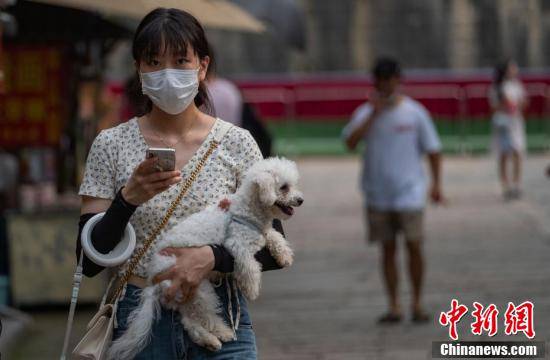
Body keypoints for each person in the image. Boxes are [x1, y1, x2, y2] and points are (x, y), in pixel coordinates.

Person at [76, 8, 285, 359]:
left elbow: (273, 246)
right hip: (140, 318)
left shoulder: (236, 143)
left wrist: (211, 257)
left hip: (222, 317)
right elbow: (88, 260)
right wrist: (127, 200)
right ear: (138, 69)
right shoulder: (110, 145)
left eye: (180, 61)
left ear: (202, 67)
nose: (166, 74)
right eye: (154, 62)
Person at [342, 58, 443, 324]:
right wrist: (373, 114)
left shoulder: (415, 113)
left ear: (398, 80)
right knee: (387, 250)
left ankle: (418, 302)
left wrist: (436, 184)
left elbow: (433, 149)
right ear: (375, 82)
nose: (386, 85)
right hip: (378, 193)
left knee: (414, 246)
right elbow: (350, 142)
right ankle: (394, 304)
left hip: (410, 191)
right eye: (381, 80)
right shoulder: (365, 112)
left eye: (390, 79)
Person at [489, 59, 527, 200]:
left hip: (515, 122)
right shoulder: (498, 87)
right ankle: (505, 184)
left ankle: (517, 183)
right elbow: (494, 105)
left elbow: (523, 101)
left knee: (517, 151)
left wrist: (517, 106)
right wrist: (505, 107)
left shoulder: (517, 85)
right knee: (504, 154)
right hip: (503, 123)